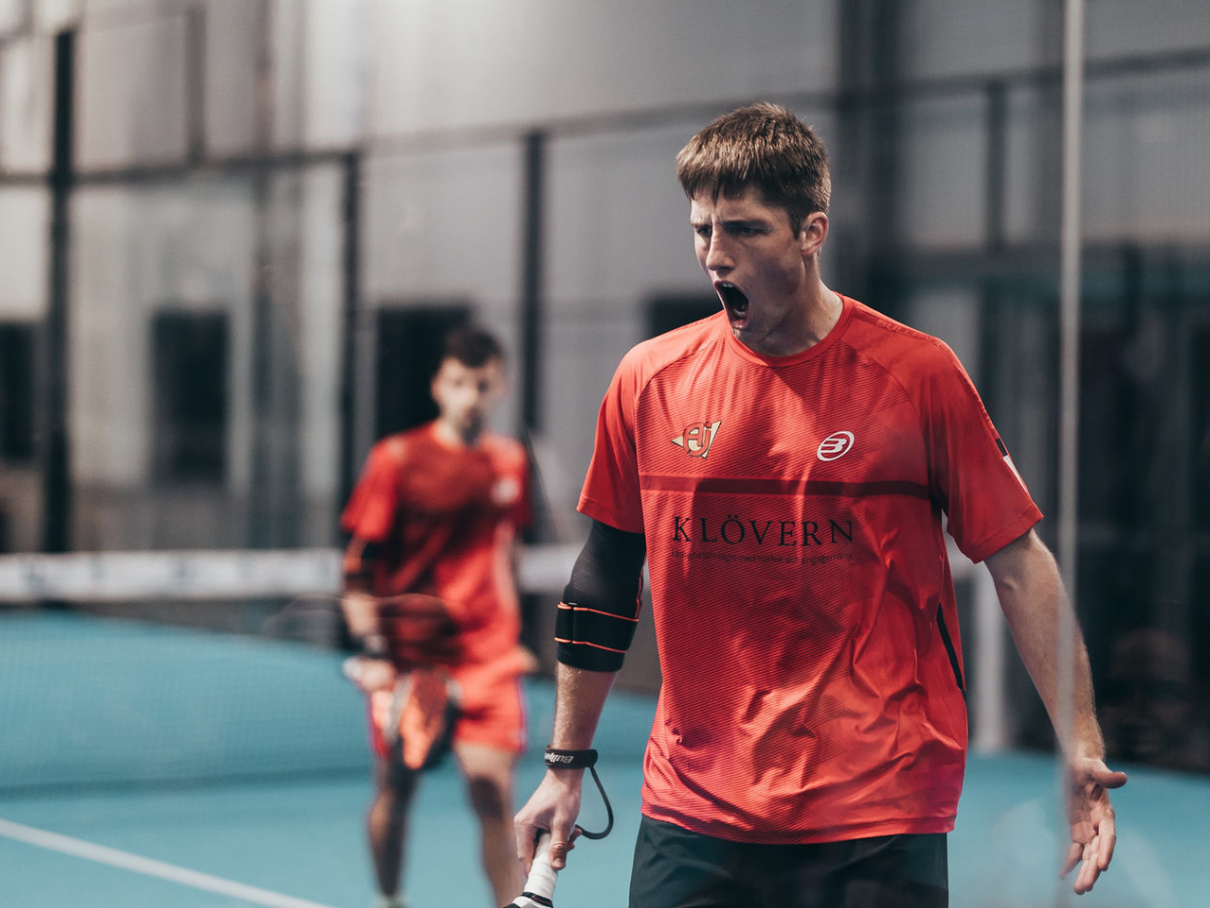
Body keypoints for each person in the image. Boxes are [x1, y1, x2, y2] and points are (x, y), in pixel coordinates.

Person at [514, 103, 1127, 907]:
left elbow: (1019, 564)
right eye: (702, 230)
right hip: (695, 807)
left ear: (812, 232)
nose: (716, 255)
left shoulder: (919, 377)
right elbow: (602, 580)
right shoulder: (649, 382)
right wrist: (565, 766)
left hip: (879, 808)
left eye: (744, 230)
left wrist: (1079, 739)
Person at [341, 326, 533, 908]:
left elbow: (506, 552)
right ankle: (390, 898)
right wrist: (374, 653)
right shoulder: (397, 459)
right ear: (437, 387)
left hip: (487, 658)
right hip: (411, 662)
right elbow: (358, 570)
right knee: (396, 793)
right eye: (457, 383)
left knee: (493, 794)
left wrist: (520, 636)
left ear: (500, 387)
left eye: (482, 384)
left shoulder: (510, 461)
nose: (469, 397)